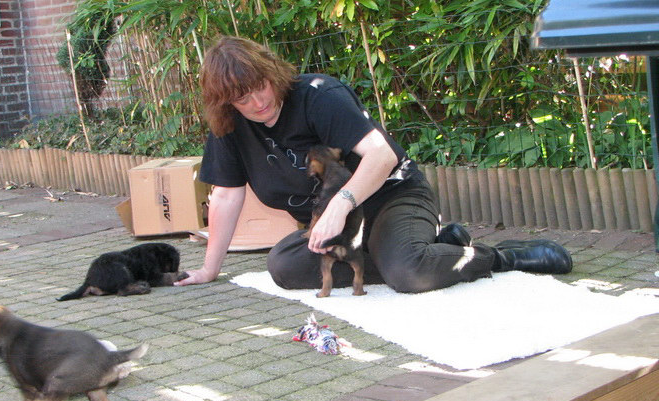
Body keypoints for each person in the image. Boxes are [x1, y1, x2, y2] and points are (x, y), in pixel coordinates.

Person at [175, 36, 572, 293]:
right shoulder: (230, 128)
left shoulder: (318, 95)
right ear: (227, 102)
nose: (258, 102)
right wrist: (209, 270)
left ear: (271, 72)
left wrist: (340, 204)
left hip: (391, 196)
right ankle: (425, 249)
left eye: (260, 86)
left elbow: (382, 155)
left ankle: (498, 257)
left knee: (409, 273)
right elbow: (226, 196)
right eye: (242, 99)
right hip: (343, 225)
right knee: (284, 267)